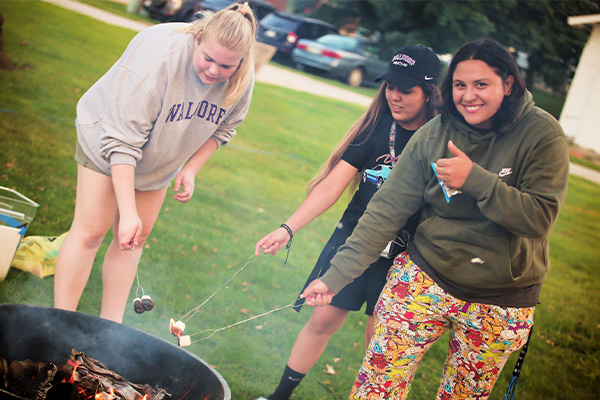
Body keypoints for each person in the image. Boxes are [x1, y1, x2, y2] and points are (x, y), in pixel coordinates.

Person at [301, 38, 570, 399]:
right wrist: (334, 277)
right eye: (460, 84)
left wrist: (475, 180)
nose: (468, 95)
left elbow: (538, 218)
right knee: (376, 385)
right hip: (425, 275)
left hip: (501, 297)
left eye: (481, 84)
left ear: (507, 84)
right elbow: (384, 212)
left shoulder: (542, 133)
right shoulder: (436, 132)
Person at [255, 45, 442, 400]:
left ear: (430, 94)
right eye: (390, 86)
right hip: (353, 244)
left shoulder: (441, 139)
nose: (395, 96)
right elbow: (330, 187)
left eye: (407, 89)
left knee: (381, 343)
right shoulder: (376, 128)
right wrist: (287, 228)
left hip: (406, 258)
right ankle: (279, 397)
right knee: (321, 320)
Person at [54, 3, 257, 323]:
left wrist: (190, 168)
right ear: (197, 38)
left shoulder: (241, 77)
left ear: (241, 62)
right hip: (107, 140)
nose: (215, 72)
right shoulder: (157, 61)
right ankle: (60, 325)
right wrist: (128, 211)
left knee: (133, 241)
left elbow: (224, 128)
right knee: (91, 231)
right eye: (208, 59)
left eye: (226, 66)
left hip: (159, 161)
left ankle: (110, 330)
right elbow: (120, 142)